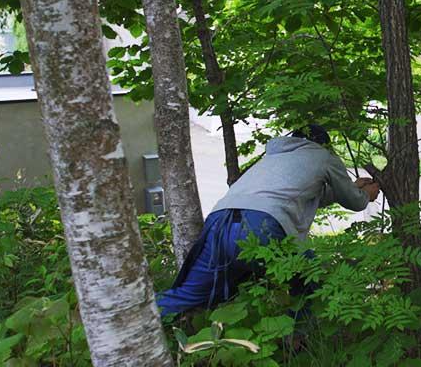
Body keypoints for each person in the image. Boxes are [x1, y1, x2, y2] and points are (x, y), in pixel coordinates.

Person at [156, 124, 380, 317]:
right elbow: (355, 202)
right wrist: (366, 193)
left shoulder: (272, 157)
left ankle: (135, 317)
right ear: (323, 145)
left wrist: (353, 187)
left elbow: (302, 196)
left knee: (188, 295)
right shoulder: (323, 156)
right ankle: (298, 341)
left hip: (219, 222)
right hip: (261, 225)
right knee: (312, 280)